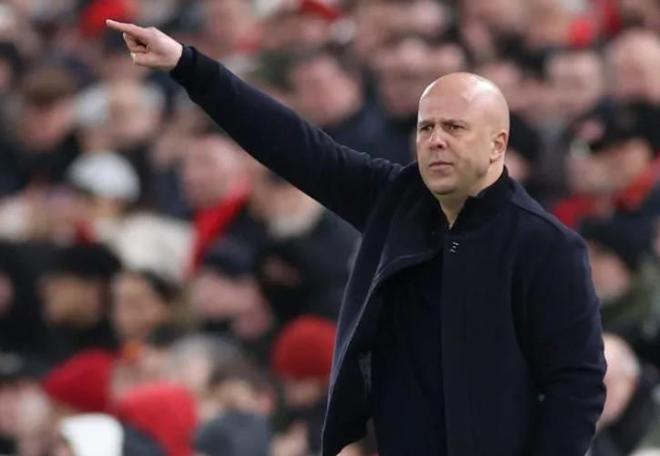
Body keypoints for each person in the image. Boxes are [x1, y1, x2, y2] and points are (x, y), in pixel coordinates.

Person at [106, 19, 606, 456]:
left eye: (455, 127)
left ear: (498, 144)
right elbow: (293, 145)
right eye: (426, 128)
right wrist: (188, 66)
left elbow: (577, 384)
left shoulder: (547, 247)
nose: (436, 140)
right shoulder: (395, 199)